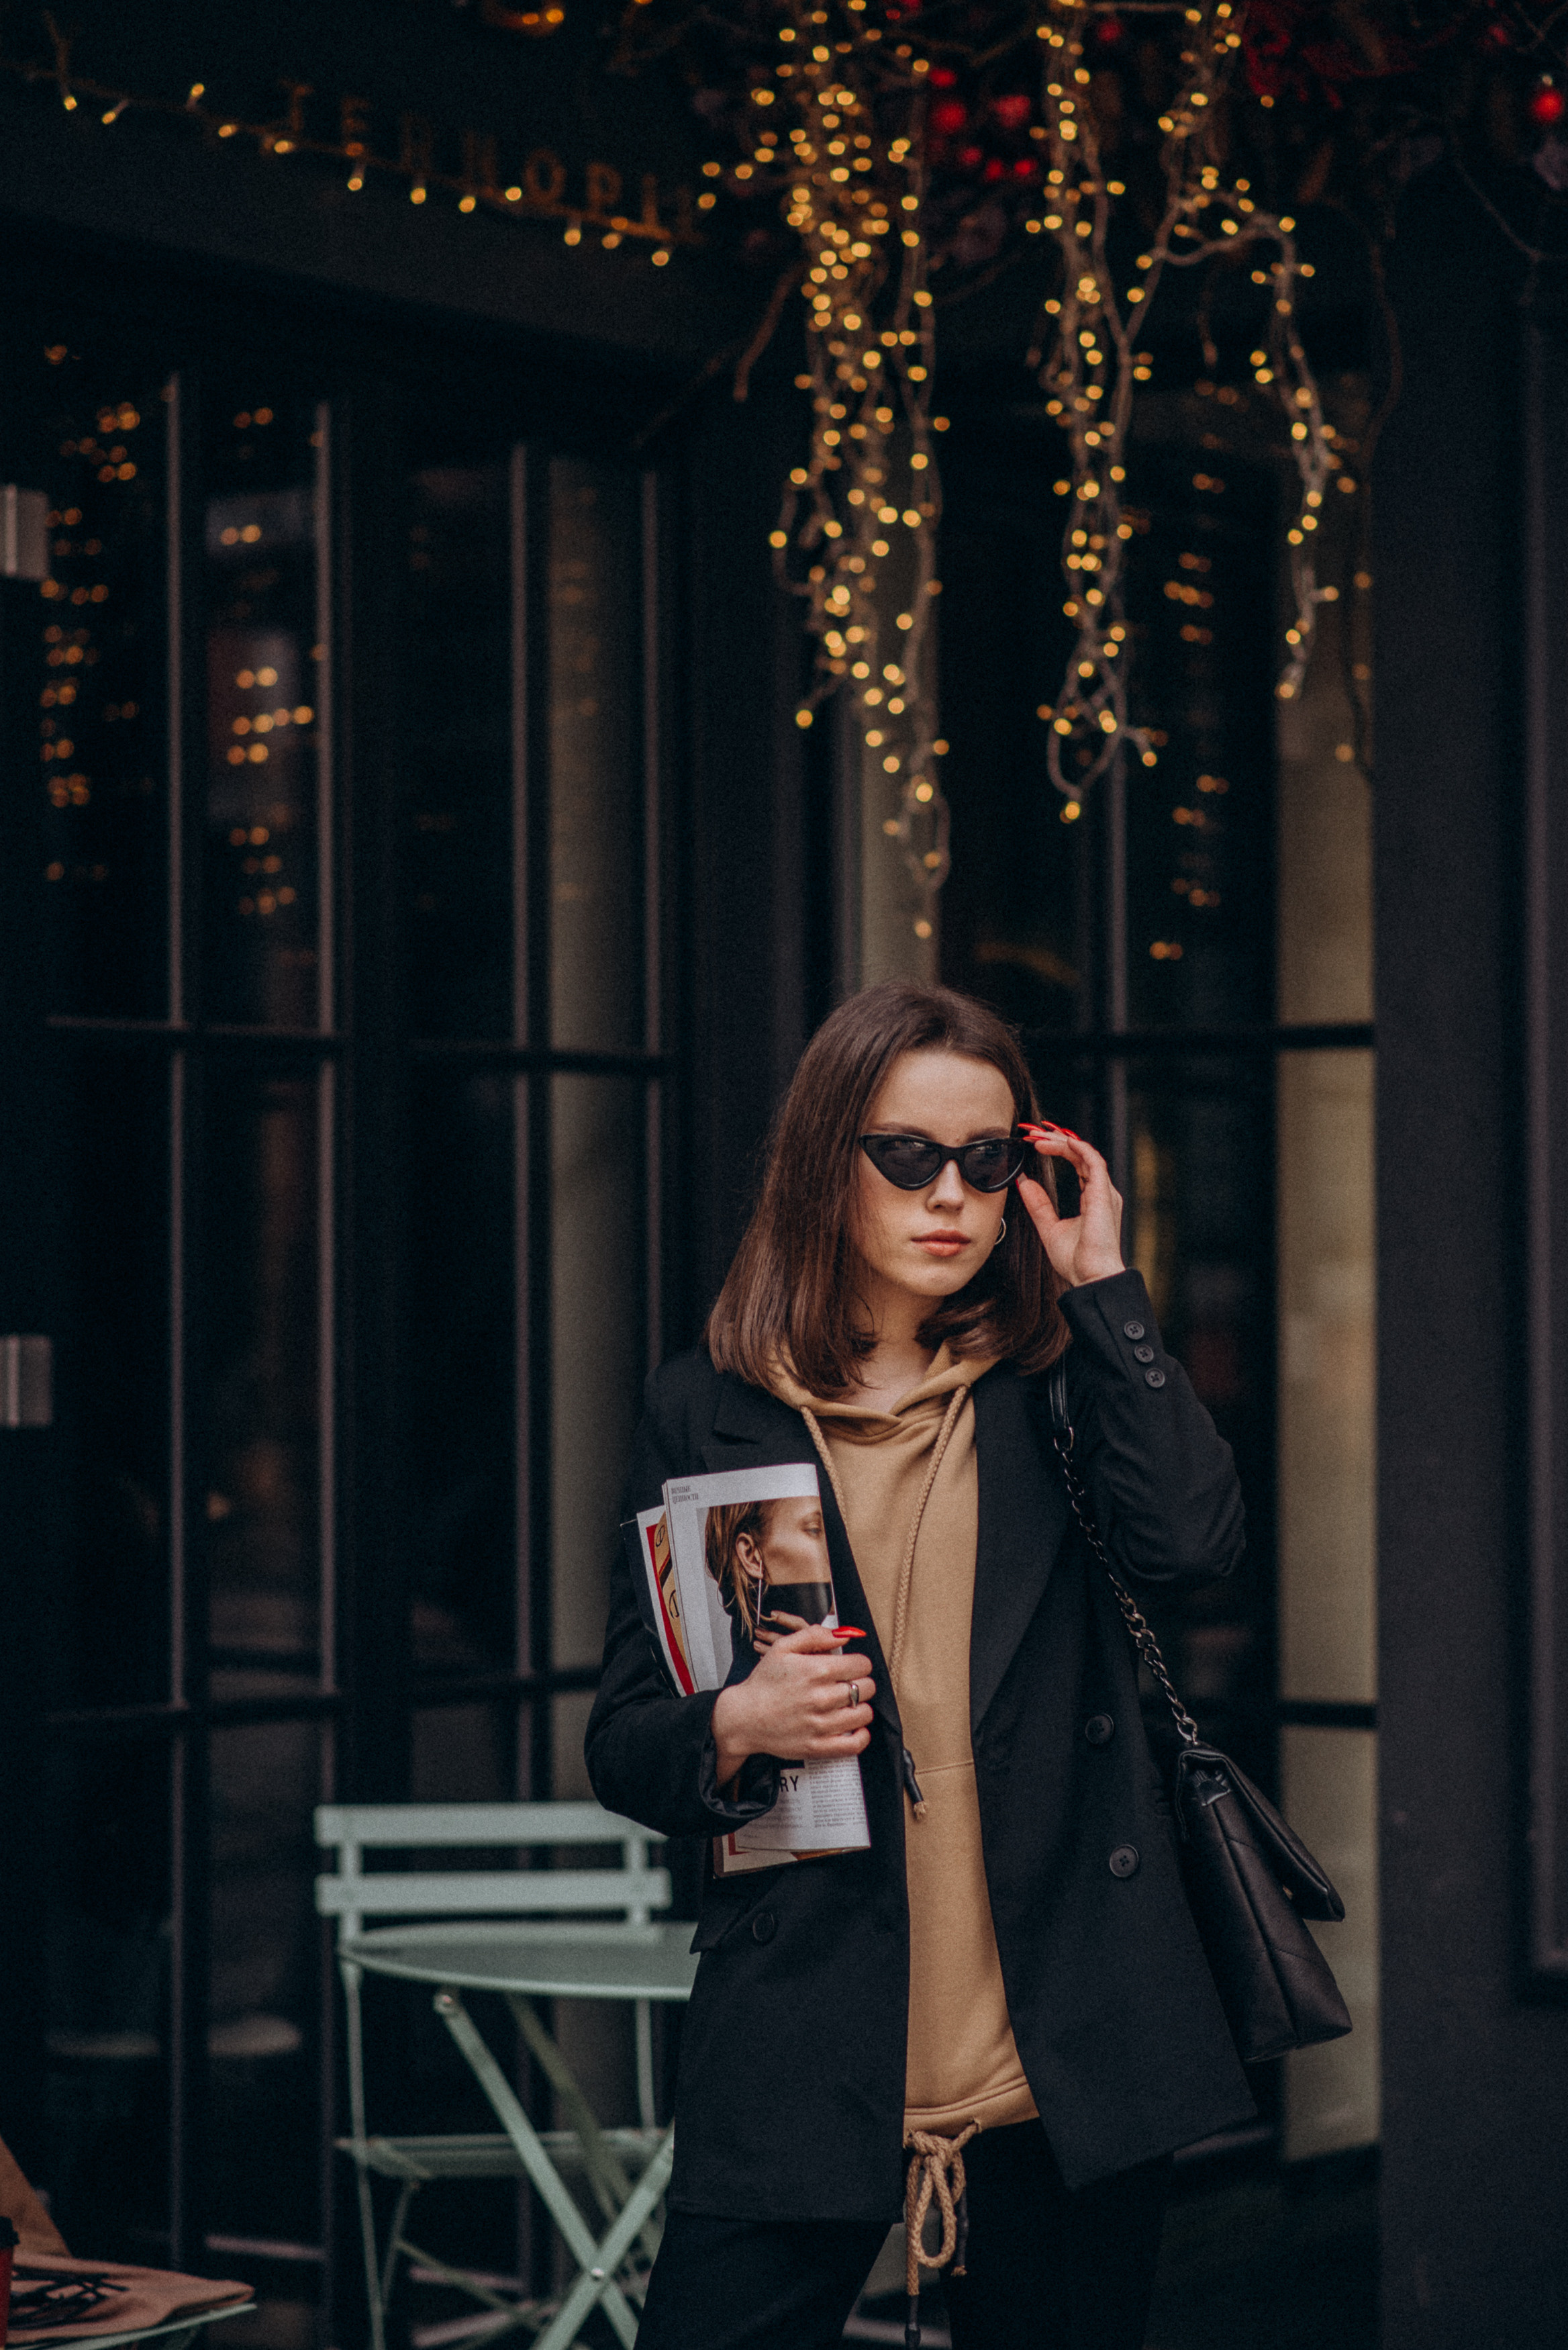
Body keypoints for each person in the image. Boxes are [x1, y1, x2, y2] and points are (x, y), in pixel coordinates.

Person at [585, 980, 1253, 2350]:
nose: (950, 1192)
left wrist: (1108, 1289)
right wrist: (733, 1722)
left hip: (1061, 2045)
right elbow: (624, 1740)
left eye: (987, 1159)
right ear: (826, 1163)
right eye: (907, 1155)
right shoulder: (706, 1403)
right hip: (804, 2026)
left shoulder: (1059, 1376)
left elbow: (1195, 1549)